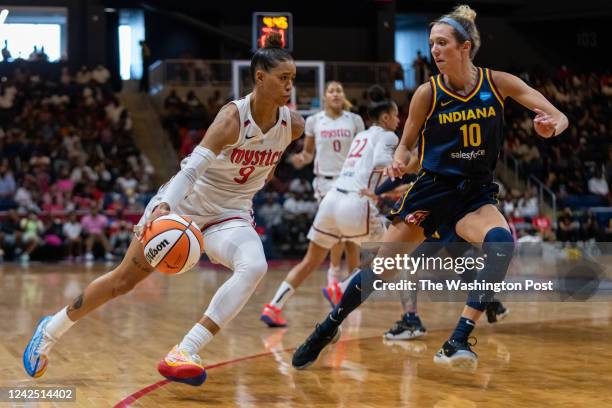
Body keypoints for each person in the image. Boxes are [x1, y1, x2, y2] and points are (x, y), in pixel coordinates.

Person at [291, 4, 567, 372]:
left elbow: (559, 115)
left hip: (475, 194)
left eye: (442, 43)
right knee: (382, 270)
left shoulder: (498, 83)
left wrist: (551, 126)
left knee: (501, 244)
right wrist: (398, 160)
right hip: (432, 190)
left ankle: (458, 339)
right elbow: (406, 145)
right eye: (432, 43)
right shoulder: (427, 92)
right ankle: (328, 326)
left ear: (464, 46)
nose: (434, 51)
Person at [23, 32, 304, 386]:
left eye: (293, 78)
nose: (289, 86)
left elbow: (268, 167)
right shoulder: (232, 119)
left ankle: (184, 351)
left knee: (255, 266)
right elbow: (190, 169)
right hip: (185, 208)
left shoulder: (293, 126)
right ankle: (49, 331)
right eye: (283, 78)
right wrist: (160, 208)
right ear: (260, 78)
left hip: (230, 215)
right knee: (122, 282)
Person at [261, 85, 398, 328]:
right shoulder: (385, 135)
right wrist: (400, 174)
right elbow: (381, 162)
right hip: (351, 196)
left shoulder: (357, 128)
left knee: (312, 259)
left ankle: (274, 306)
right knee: (393, 253)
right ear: (386, 118)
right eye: (397, 116)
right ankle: (341, 287)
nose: (399, 121)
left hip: (334, 196)